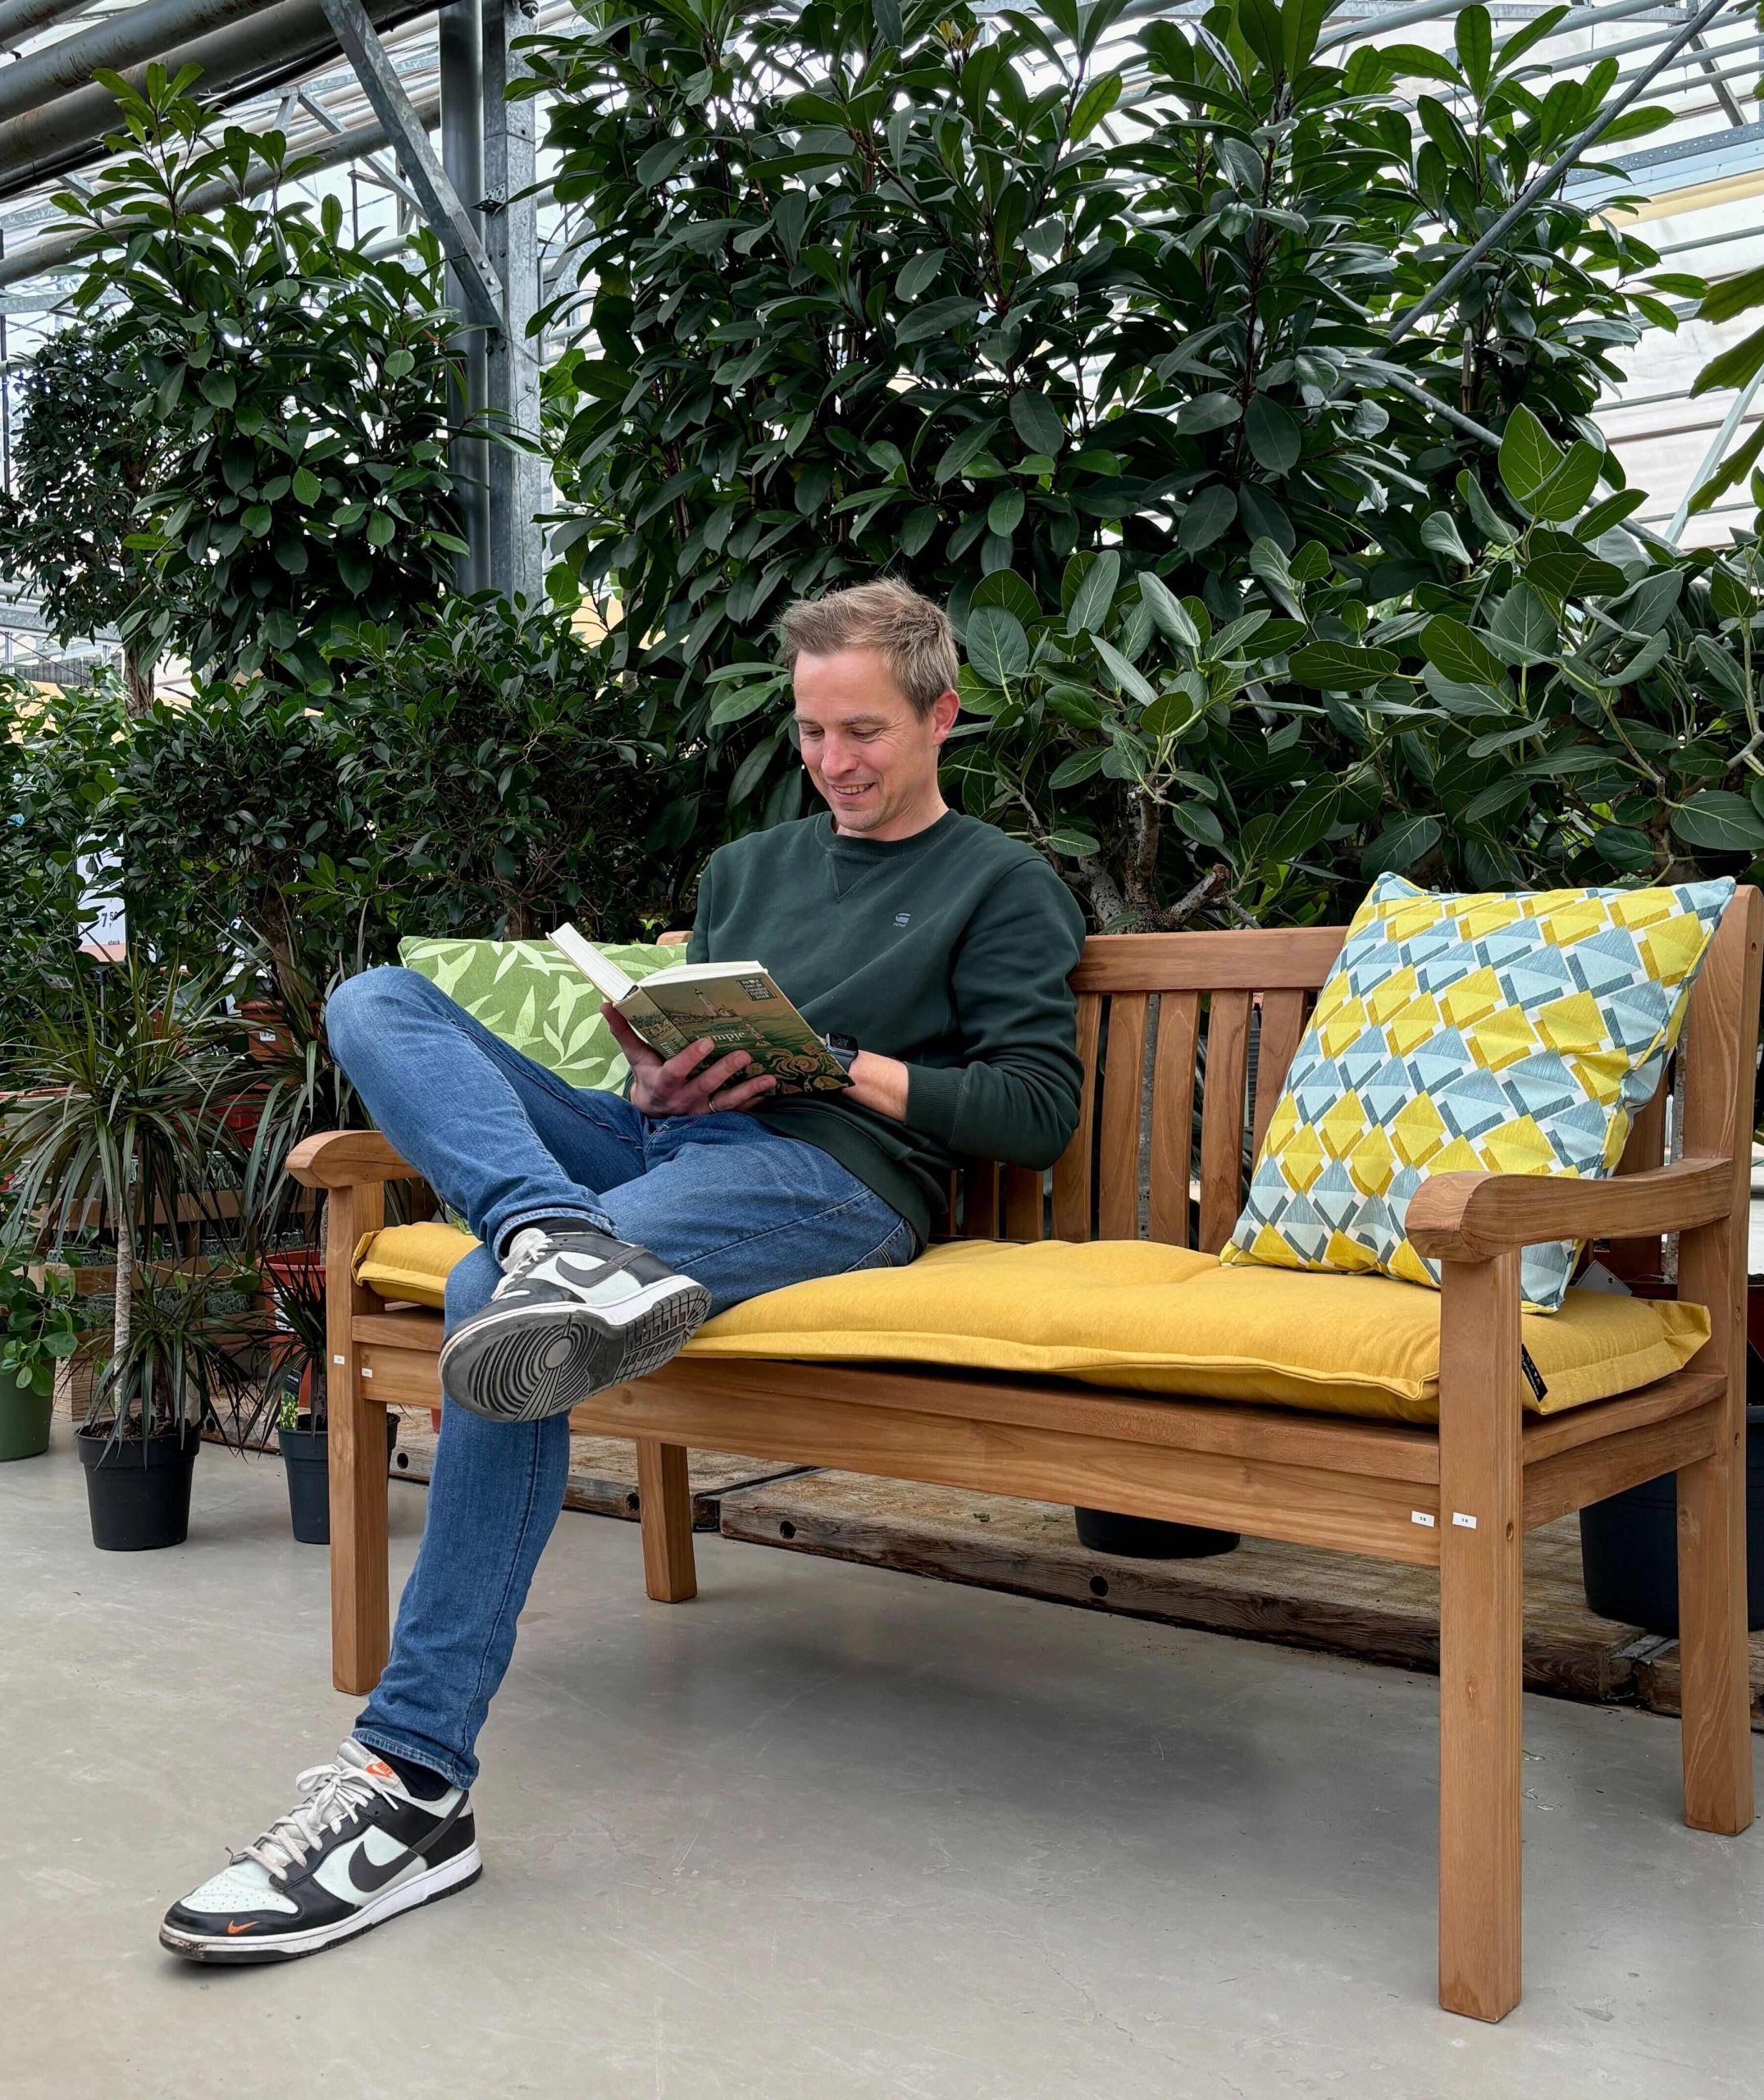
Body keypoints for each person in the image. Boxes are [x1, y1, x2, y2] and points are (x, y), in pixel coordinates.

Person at [160, 579, 1088, 1963]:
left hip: (827, 1183)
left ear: (941, 717)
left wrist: (831, 1063)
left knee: (488, 1301)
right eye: (811, 731)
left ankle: (411, 1786)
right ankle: (551, 1230)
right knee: (376, 1004)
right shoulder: (750, 867)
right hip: (662, 1149)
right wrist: (660, 1066)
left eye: (865, 733)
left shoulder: (1000, 882)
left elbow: (1032, 1108)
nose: (832, 762)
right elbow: (673, 1068)